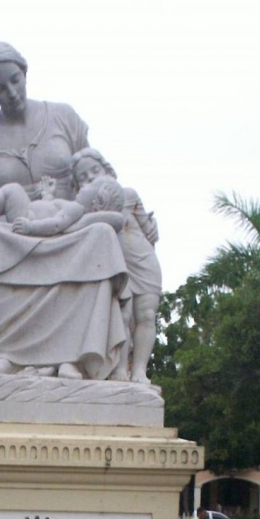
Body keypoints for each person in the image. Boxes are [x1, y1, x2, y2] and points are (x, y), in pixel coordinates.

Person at [0, 33, 128, 381]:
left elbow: (100, 176)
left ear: (25, 72)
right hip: (17, 236)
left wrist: (136, 216)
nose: (11, 92)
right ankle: (7, 354)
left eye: (15, 80)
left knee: (101, 235)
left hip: (69, 229)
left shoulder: (63, 117)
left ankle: (76, 357)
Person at [71, 148, 162, 384]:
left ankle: (140, 370)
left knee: (146, 315)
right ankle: (120, 369)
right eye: (83, 177)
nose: (90, 178)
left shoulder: (129, 194)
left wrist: (153, 226)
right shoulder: (84, 207)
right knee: (122, 316)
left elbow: (149, 230)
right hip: (115, 265)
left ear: (107, 170)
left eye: (95, 171)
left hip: (143, 262)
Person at [0, 174, 125, 238]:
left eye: (90, 184)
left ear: (99, 201)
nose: (84, 184)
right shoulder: (73, 207)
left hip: (27, 218)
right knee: (13, 190)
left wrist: (31, 227)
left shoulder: (76, 210)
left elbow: (56, 224)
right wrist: (47, 194)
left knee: (13, 190)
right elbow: (51, 209)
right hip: (28, 216)